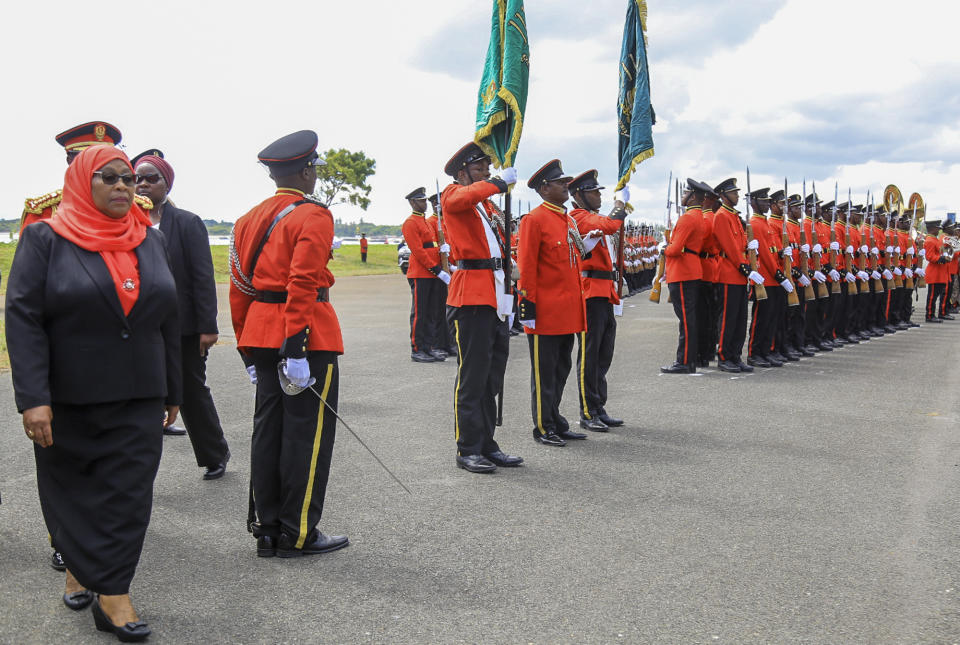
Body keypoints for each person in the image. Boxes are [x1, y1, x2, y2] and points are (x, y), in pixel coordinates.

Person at [7, 145, 181, 641]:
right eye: (109, 178)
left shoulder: (151, 238)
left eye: (129, 178)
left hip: (140, 392)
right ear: (84, 182)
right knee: (75, 493)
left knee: (128, 497)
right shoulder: (45, 238)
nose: (124, 186)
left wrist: (173, 387)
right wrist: (33, 397)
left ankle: (115, 595)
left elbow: (169, 318)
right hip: (67, 398)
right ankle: (79, 567)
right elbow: (23, 319)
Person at [229, 130, 348, 557]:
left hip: (260, 331)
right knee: (305, 437)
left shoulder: (247, 219)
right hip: (304, 337)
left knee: (268, 433)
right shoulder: (313, 215)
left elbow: (239, 287)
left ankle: (266, 529)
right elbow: (302, 284)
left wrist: (246, 345)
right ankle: (298, 533)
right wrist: (296, 346)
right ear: (306, 170)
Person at [134, 152, 231, 478]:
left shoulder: (187, 223)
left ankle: (214, 454)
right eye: (138, 179)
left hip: (185, 327)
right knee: (141, 392)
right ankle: (135, 469)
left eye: (152, 179)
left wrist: (208, 326)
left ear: (166, 184)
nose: (144, 184)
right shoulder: (125, 222)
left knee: (190, 390)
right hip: (139, 328)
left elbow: (202, 277)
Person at [440, 141, 523, 473]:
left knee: (492, 376)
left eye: (489, 169)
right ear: (462, 172)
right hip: (471, 295)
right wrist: (499, 184)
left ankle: (488, 443)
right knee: (472, 377)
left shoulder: (486, 207)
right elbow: (462, 197)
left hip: (495, 292)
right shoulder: (453, 194)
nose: (487, 174)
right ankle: (467, 447)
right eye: (480, 169)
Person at [518, 160, 589, 446]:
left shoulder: (567, 219)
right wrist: (527, 306)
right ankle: (543, 425)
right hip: (545, 312)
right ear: (544, 188)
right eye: (561, 183)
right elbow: (526, 267)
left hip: (567, 311)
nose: (566, 186)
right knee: (544, 374)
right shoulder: (534, 220)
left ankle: (556, 419)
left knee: (561, 369)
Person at [567, 169, 628, 431]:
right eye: (593, 192)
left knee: (604, 354)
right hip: (590, 292)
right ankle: (586, 411)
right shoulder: (578, 217)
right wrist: (620, 204)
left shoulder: (592, 216)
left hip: (604, 290)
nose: (599, 196)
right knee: (589, 356)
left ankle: (598, 405)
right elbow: (611, 225)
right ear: (579, 195)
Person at [661, 179, 708, 374]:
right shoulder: (698, 216)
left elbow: (675, 249)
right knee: (690, 318)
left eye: (685, 193)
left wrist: (664, 248)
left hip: (682, 271)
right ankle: (690, 358)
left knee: (686, 320)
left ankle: (685, 361)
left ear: (693, 197)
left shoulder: (688, 218)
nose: (682, 196)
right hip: (691, 270)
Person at [401, 187, 450, 362]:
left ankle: (429, 347)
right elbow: (419, 252)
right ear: (413, 202)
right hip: (421, 273)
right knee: (420, 313)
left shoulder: (427, 222)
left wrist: (444, 253)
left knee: (432, 312)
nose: (424, 204)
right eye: (421, 201)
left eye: (424, 200)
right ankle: (417, 349)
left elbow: (433, 246)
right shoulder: (410, 223)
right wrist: (436, 269)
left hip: (432, 274)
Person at [713, 182, 756, 373]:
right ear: (723, 195)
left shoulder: (735, 217)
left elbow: (740, 244)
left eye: (737, 193)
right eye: (733, 193)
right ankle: (724, 356)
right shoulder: (721, 216)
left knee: (740, 318)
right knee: (728, 319)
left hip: (739, 275)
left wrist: (751, 247)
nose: (737, 196)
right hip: (729, 273)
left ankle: (735, 355)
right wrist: (745, 267)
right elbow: (729, 247)